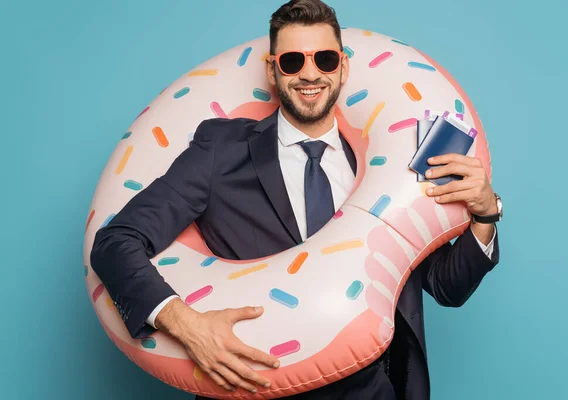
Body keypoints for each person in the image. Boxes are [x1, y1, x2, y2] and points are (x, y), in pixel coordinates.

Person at [90, 0, 502, 399]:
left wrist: (485, 216)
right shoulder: (221, 149)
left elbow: (446, 287)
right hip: (258, 389)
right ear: (272, 71)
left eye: (324, 59)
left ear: (342, 67)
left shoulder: (390, 165)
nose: (309, 74)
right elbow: (114, 243)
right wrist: (187, 325)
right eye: (292, 61)